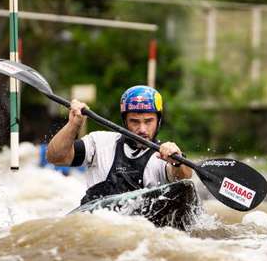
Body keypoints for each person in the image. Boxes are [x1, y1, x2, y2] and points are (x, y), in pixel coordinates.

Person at [46, 85, 192, 205]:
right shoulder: (99, 142)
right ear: (125, 121)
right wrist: (73, 125)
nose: (142, 129)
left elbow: (184, 178)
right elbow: (56, 157)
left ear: (158, 121)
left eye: (148, 121)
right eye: (134, 121)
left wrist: (177, 162)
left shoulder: (163, 157)